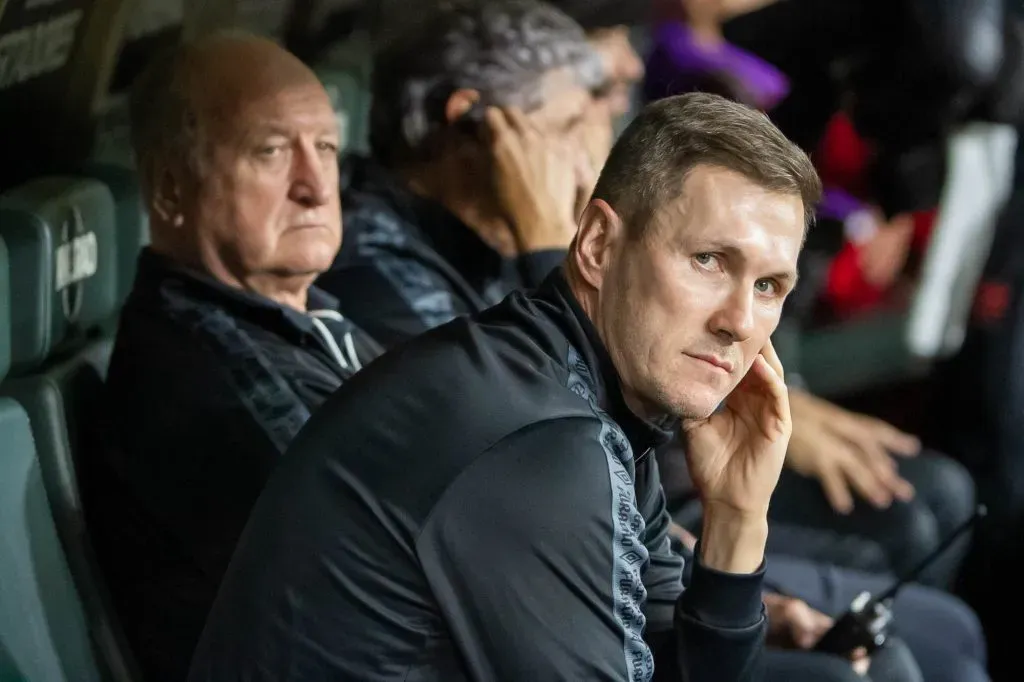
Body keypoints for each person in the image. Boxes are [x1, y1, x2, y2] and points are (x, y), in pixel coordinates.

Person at [189, 92, 823, 681]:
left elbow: (679, 670)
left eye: (768, 286)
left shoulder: (586, 397)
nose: (740, 321)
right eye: (708, 260)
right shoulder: (543, 440)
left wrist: (737, 518)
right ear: (598, 245)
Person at [96, 33, 380, 682]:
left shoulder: (296, 319)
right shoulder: (212, 379)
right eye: (271, 151)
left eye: (325, 149)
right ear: (171, 191)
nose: (315, 187)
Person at [315, 0, 605, 348]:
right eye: (565, 128)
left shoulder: (483, 242)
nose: (581, 161)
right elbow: (563, 376)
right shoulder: (368, 261)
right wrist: (550, 245)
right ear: (472, 120)